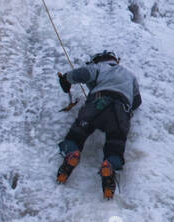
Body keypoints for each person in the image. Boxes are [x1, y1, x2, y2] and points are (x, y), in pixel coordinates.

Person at [56, 51, 142, 199]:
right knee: (115, 145)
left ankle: (72, 153)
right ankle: (109, 165)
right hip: (121, 110)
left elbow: (83, 73)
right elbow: (136, 102)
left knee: (77, 135)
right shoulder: (130, 76)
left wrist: (66, 79)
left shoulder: (100, 67)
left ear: (97, 60)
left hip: (98, 102)